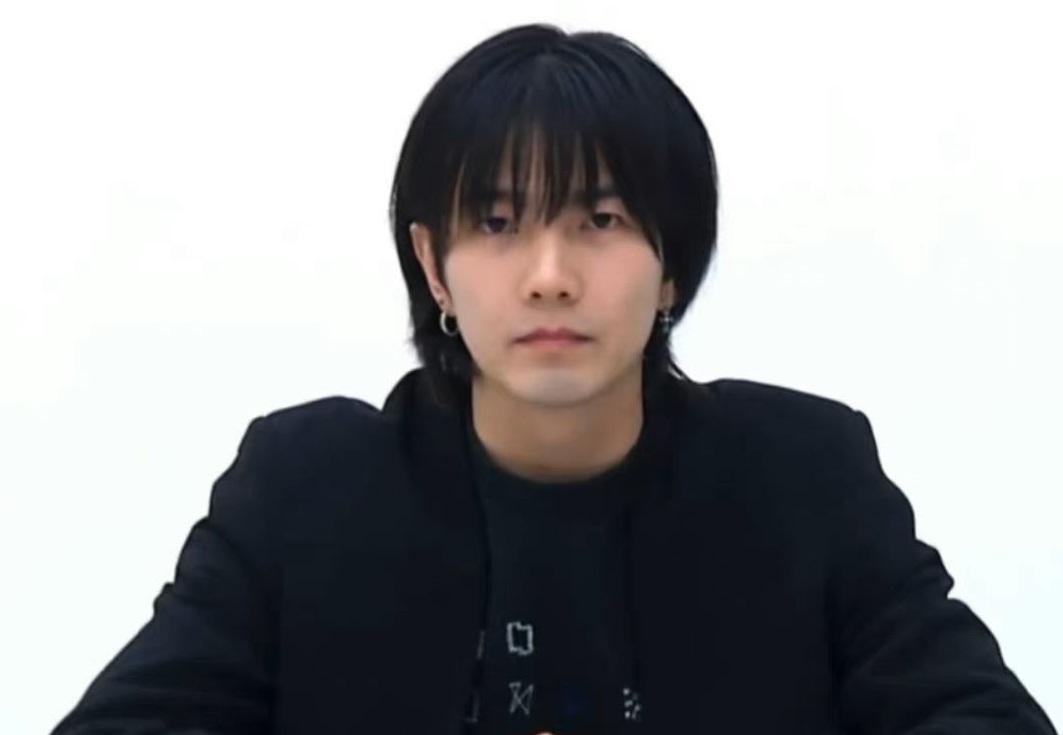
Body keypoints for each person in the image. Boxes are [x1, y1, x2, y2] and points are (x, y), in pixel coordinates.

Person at [51, 23, 1056, 735]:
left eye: (599, 221)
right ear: (433, 265)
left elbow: (969, 711)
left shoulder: (805, 474)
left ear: (671, 264)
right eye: (497, 223)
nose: (548, 275)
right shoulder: (303, 486)